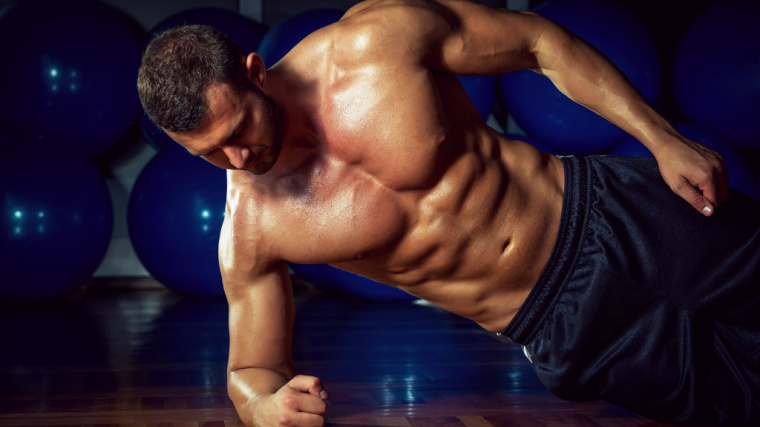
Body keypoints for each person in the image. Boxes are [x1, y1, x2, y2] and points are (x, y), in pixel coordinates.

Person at [137, 0, 759, 425]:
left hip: (609, 212)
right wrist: (265, 407)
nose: (238, 156)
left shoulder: (375, 42)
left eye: (239, 127)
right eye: (209, 153)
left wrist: (663, 139)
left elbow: (540, 43)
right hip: (562, 327)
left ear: (255, 73)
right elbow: (250, 369)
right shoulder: (251, 228)